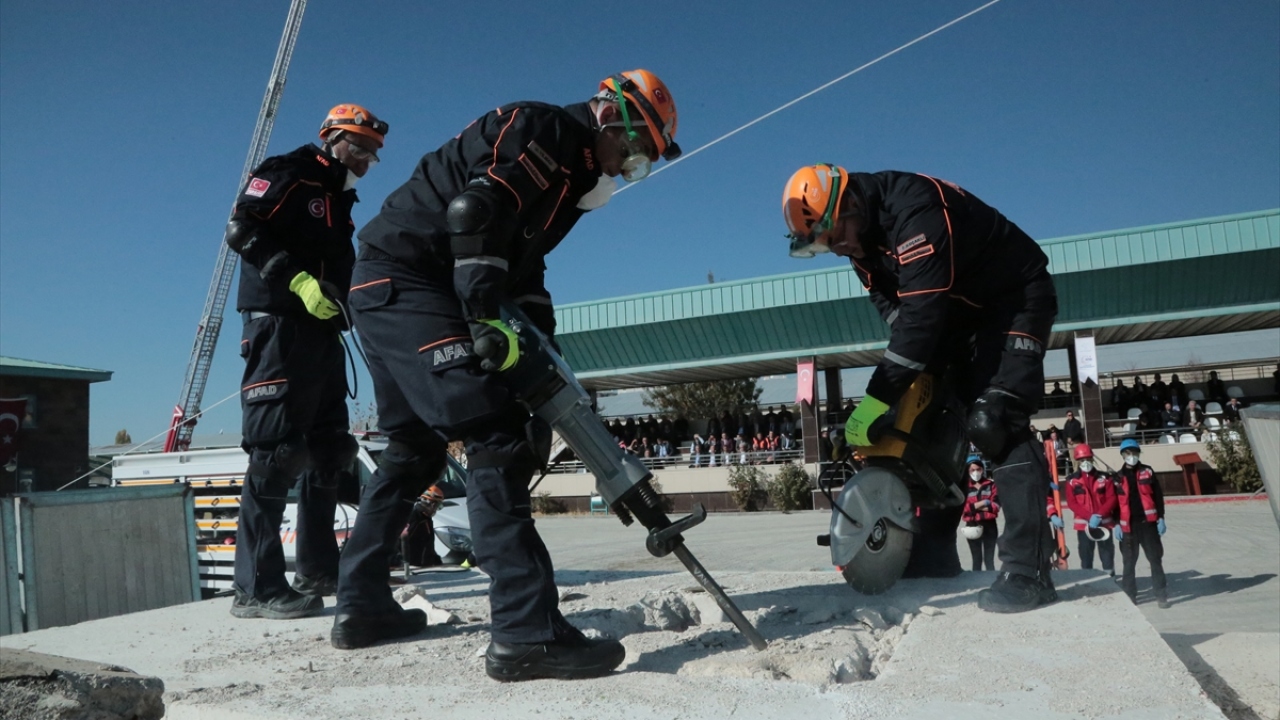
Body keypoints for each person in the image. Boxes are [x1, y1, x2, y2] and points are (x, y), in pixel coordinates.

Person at [334, 70, 681, 679]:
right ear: (611, 118)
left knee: (413, 451)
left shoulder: (571, 177)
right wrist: (481, 316)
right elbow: (473, 212)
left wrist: (542, 351)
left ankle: (362, 604)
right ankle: (525, 632)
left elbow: (524, 268)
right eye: (634, 152)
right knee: (496, 435)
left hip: (387, 285)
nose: (628, 168)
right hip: (415, 280)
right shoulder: (544, 128)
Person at [783, 165, 1058, 612]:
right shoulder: (859, 242)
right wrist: (898, 400)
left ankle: (1030, 572)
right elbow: (900, 320)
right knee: (925, 420)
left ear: (849, 203)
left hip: (1013, 299)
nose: (837, 250)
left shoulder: (915, 209)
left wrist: (875, 397)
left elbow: (923, 318)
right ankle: (933, 555)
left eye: (835, 237)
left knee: (994, 422)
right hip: (956, 312)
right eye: (824, 245)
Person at [224, 104, 387, 620]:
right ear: (330, 137)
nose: (364, 158)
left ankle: (318, 567)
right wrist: (294, 280)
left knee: (329, 448)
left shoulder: (342, 200)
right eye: (357, 147)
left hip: (321, 332)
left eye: (372, 153)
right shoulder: (289, 172)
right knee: (276, 452)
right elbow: (241, 229)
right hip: (277, 325)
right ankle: (255, 586)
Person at [1113, 439, 1169, 608]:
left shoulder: (1148, 472)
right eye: (1128, 454)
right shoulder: (1117, 477)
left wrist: (1161, 517)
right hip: (1128, 527)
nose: (1132, 457)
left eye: (1135, 453)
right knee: (1129, 563)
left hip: (1148, 525)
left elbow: (1157, 495)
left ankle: (1161, 595)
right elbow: (1114, 503)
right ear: (1123, 455)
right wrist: (1116, 523)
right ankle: (1131, 597)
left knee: (1155, 559)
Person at [1062, 444, 1117, 575]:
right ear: (1077, 461)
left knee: (1107, 555)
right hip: (1084, 526)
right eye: (1082, 460)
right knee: (1086, 557)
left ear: (1092, 459)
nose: (1085, 463)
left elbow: (1112, 498)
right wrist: (1088, 516)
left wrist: (1099, 514)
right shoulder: (1072, 481)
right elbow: (1072, 503)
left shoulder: (1105, 478)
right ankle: (1088, 581)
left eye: (1087, 459)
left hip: (1104, 524)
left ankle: (1110, 580)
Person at [960, 456, 1000, 572]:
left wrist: (974, 507)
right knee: (976, 560)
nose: (976, 472)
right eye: (972, 470)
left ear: (983, 469)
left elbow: (996, 506)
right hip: (972, 526)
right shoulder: (964, 488)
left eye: (978, 469)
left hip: (989, 525)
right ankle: (978, 584)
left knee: (989, 560)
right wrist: (983, 503)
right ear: (967, 471)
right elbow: (963, 509)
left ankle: (991, 583)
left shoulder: (991, 485)